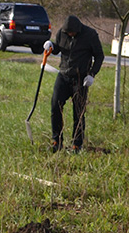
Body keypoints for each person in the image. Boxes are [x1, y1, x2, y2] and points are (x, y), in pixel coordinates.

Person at [43, 15, 104, 153]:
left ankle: (77, 145)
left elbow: (99, 55)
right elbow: (58, 49)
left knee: (78, 112)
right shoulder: (62, 33)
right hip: (63, 75)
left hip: (81, 79)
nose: (70, 34)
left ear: (78, 30)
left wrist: (92, 74)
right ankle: (56, 142)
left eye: (72, 33)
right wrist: (51, 45)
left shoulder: (90, 35)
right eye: (68, 33)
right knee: (55, 105)